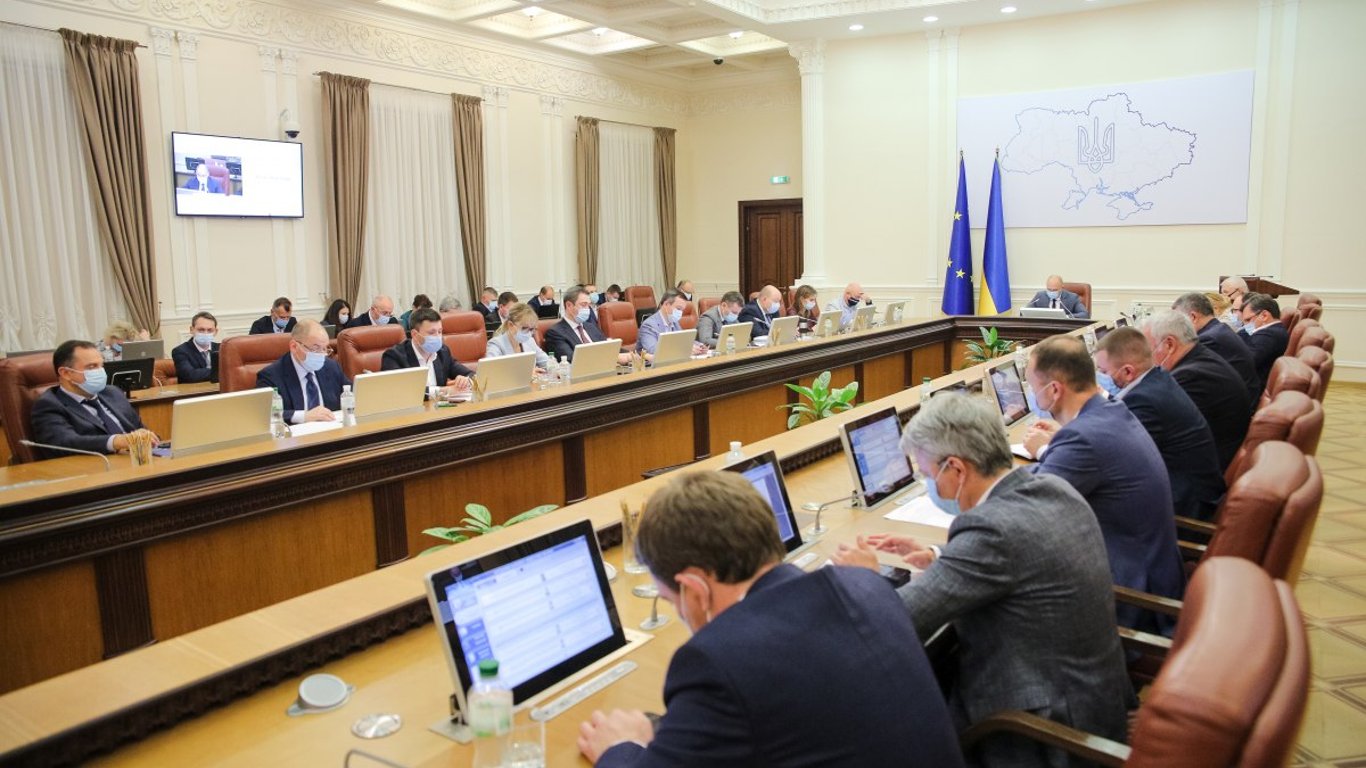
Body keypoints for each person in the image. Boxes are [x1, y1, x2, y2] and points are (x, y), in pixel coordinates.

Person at [578, 471, 964, 768]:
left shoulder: (720, 663)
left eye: (669, 599)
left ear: (695, 590)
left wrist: (620, 747)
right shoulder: (865, 584)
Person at [832, 393, 1132, 766]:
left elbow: (898, 619)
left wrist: (865, 578)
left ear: (957, 469)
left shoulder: (991, 531)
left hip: (1041, 732)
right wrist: (940, 556)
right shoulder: (1052, 487)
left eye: (928, 475)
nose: (930, 484)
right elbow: (1015, 557)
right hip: (1096, 702)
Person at [1022, 335, 1184, 634]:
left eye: (1033, 388)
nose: (1033, 396)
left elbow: (1028, 509)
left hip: (1131, 599)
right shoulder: (1110, 412)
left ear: (1054, 389)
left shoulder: (1083, 437)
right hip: (1151, 569)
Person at [1094, 328, 1226, 522]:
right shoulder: (1158, 378)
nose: (1100, 376)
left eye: (1103, 371)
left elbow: (1114, 460)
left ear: (1128, 372)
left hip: (1185, 510)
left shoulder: (1144, 400)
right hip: (1191, 489)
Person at [1141, 311, 1252, 471]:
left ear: (1169, 344)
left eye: (1147, 351)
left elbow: (1151, 435)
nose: (1145, 359)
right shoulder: (1199, 358)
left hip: (1203, 470)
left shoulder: (1191, 377)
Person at [30, 340, 158, 459]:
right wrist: (116, 441)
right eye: (91, 367)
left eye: (101, 366)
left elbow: (140, 430)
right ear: (66, 373)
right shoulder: (49, 405)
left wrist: (149, 438)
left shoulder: (113, 393)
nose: (100, 371)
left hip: (138, 459)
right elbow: (64, 443)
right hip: (97, 467)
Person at [1172, 292, 1261, 403]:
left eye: (1179, 321)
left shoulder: (1209, 339)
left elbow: (1186, 374)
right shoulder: (1218, 329)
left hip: (1234, 405)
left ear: (1193, 317)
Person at [255, 320, 351, 424]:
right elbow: (264, 413)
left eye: (324, 349)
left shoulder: (331, 367)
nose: (321, 355)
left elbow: (352, 394)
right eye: (315, 349)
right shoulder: (271, 376)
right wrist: (304, 416)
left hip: (333, 428)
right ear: (294, 347)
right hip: (296, 432)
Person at [380, 307, 473, 393]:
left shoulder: (443, 352)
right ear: (415, 334)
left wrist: (465, 381)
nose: (437, 337)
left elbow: (471, 374)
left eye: (440, 331)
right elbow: (400, 390)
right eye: (432, 333)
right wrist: (443, 391)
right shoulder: (394, 356)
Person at [543, 286, 630, 364]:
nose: (587, 309)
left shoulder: (591, 327)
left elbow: (607, 347)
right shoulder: (555, 333)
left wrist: (631, 354)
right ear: (569, 305)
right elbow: (571, 360)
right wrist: (614, 358)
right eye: (583, 305)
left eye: (588, 305)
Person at [1238, 292, 1290, 387]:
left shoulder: (1268, 335)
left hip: (1252, 388)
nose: (1245, 326)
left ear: (1264, 315)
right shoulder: (1275, 330)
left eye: (1248, 320)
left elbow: (1244, 364)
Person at [485, 303, 550, 370]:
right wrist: (528, 372)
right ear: (510, 325)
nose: (528, 333)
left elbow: (547, 362)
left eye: (531, 329)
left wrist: (554, 367)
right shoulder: (496, 344)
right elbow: (491, 370)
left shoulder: (530, 341)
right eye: (524, 328)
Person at [171, 311, 220, 384]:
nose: (205, 333)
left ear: (216, 331)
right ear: (191, 330)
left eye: (210, 330)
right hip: (193, 390)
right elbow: (190, 375)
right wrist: (220, 371)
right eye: (201, 330)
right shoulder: (180, 351)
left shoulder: (222, 348)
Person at [636, 289, 688, 357]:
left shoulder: (674, 322)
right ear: (666, 304)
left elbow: (683, 340)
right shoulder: (649, 325)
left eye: (682, 310)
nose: (680, 313)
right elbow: (653, 350)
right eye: (678, 309)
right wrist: (683, 349)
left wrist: (698, 346)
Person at [1025, 275, 1090, 318]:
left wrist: (1066, 317)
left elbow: (1085, 314)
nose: (1051, 292)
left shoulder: (1072, 298)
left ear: (1062, 287)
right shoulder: (1040, 296)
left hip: (1064, 329)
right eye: (1049, 289)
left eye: (1055, 290)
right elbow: (1026, 311)